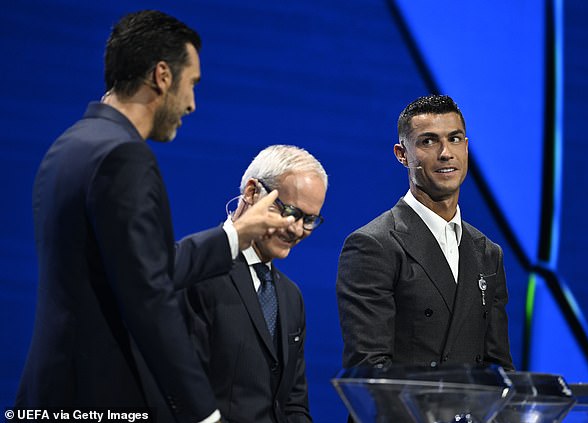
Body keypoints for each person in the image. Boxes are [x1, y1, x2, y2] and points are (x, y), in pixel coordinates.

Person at [16, 10, 293, 423]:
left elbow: (143, 269)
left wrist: (235, 234)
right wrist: (204, 414)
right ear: (162, 75)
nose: (192, 104)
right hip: (98, 398)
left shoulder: (70, 145)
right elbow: (150, 299)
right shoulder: (125, 156)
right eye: (192, 85)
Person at [336, 94, 513, 373]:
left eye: (455, 139)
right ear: (402, 154)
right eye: (428, 141)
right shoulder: (373, 245)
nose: (446, 152)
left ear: (466, 148)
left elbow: (498, 368)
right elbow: (369, 370)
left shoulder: (488, 253)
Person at [183, 145, 327, 423]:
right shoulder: (198, 271)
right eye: (288, 211)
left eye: (309, 220)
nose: (296, 229)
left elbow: (294, 404)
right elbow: (184, 393)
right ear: (251, 192)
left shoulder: (290, 297)